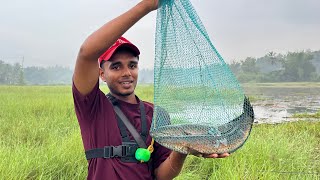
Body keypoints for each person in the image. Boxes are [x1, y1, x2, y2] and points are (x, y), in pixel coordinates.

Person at [72, 0, 229, 179]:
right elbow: (87, 53)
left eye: (132, 65)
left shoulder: (156, 114)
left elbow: (161, 175)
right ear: (101, 74)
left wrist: (183, 149)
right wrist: (146, 5)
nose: (126, 73)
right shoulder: (92, 107)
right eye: (116, 67)